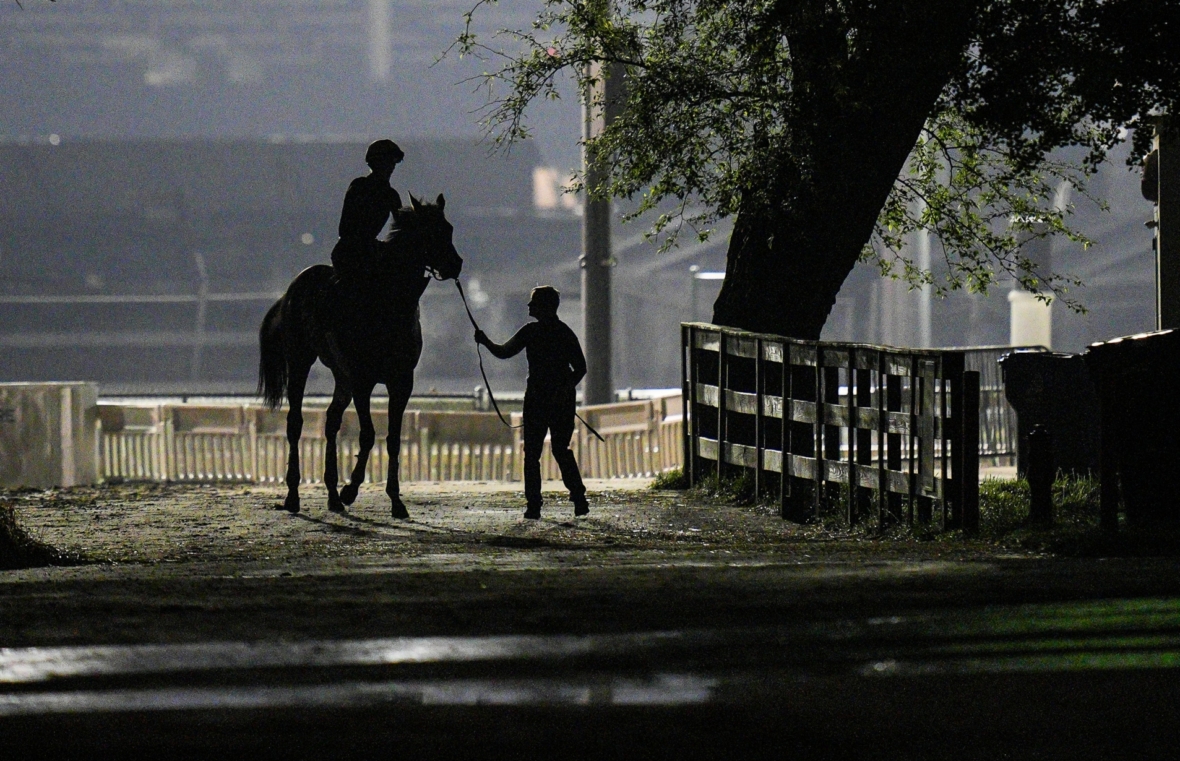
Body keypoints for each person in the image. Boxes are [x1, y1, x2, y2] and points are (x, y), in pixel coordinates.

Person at [475, 286, 589, 519]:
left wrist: (485, 342)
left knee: (532, 453)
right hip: (561, 402)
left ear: (543, 307)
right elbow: (581, 368)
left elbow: (504, 352)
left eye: (533, 302)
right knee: (561, 450)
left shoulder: (531, 332)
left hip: (537, 400)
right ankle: (578, 498)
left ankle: (534, 505)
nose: (528, 306)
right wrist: (565, 389)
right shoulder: (564, 332)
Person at [330, 139, 405, 284]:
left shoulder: (392, 195)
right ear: (374, 163)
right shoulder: (359, 186)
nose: (390, 168)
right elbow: (346, 229)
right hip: (348, 253)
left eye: (392, 163)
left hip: (372, 252)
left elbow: (402, 228)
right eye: (387, 162)